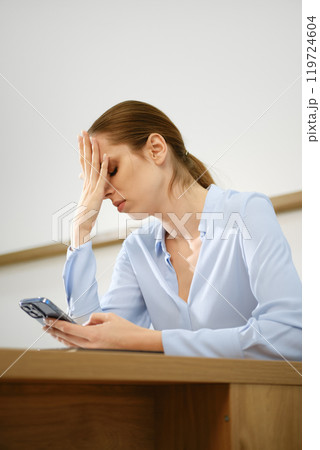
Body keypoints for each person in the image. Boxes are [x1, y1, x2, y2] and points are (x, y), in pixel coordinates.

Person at [43, 100, 302, 360]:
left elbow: (290, 335)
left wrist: (152, 340)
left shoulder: (246, 212)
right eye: (95, 180)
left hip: (254, 399)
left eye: (111, 170)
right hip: (175, 400)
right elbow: (98, 344)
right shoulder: (137, 249)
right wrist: (81, 228)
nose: (103, 190)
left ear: (156, 149)